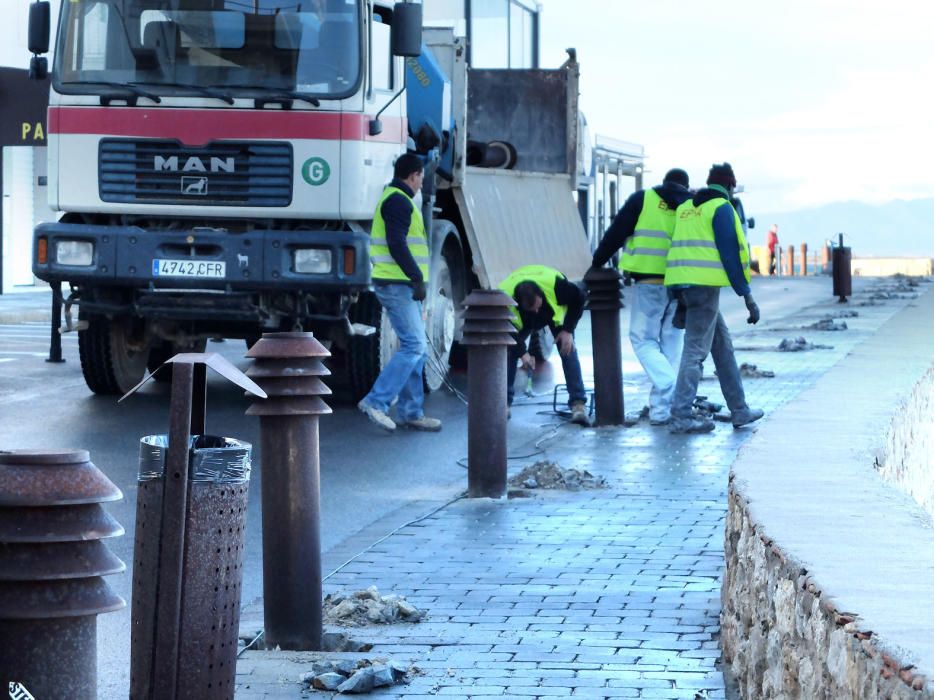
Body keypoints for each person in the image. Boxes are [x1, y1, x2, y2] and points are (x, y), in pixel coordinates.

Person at [664, 163, 764, 434]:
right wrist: (747, 297)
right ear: (730, 186)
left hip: (684, 285)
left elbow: (677, 247)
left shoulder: (687, 208)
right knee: (695, 352)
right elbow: (730, 255)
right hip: (704, 288)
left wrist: (678, 295)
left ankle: (739, 410)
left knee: (722, 347)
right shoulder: (722, 208)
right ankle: (681, 415)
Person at [590, 168, 692, 426]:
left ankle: (672, 387)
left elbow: (616, 232)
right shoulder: (691, 207)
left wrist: (598, 261)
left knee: (643, 341)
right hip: (682, 286)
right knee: (670, 346)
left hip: (650, 283)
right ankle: (661, 412)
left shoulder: (643, 200)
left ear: (664, 181)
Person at [357, 154, 442, 433]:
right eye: (421, 178)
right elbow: (396, 243)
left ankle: (411, 412)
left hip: (400, 284)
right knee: (414, 345)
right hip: (396, 284)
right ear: (414, 175)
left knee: (417, 349)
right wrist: (415, 276)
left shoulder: (398, 199)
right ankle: (376, 402)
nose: (421, 184)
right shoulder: (397, 201)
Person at [499, 265, 589, 426]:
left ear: (541, 294)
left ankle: (578, 404)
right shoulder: (504, 298)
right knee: (509, 351)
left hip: (553, 316)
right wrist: (522, 353)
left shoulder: (557, 287)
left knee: (568, 349)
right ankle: (503, 404)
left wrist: (568, 330)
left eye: (538, 306)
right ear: (519, 303)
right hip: (522, 320)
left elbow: (579, 298)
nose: (536, 311)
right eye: (532, 309)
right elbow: (505, 328)